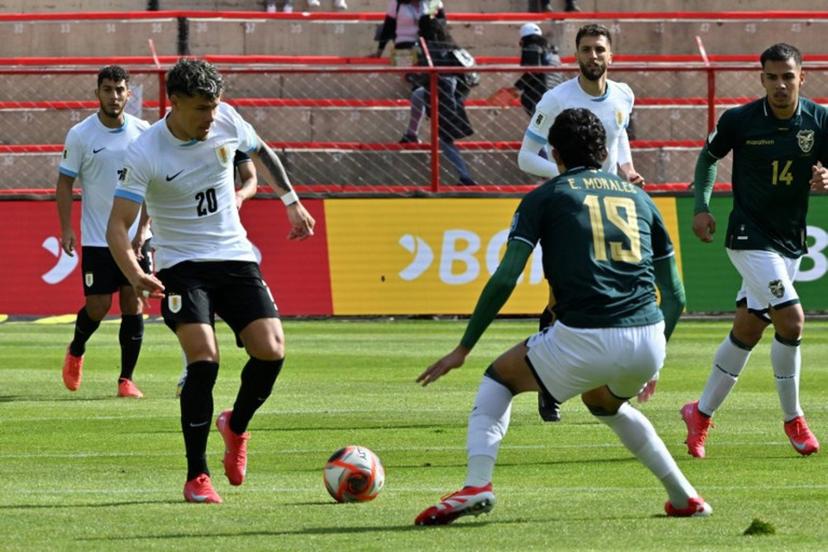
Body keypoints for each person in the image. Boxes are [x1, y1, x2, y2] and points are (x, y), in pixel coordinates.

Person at [413, 107, 711, 525]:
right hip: (648, 337)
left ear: (554, 154)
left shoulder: (547, 196)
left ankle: (477, 484)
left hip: (587, 335)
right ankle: (684, 497)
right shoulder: (641, 199)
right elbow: (676, 296)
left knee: (499, 380)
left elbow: (506, 277)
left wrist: (463, 347)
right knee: (604, 403)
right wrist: (656, 356)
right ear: (604, 152)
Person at [107, 59, 315, 504]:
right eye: (202, 108)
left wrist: (291, 201)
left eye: (215, 106)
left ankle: (235, 426)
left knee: (271, 350)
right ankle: (197, 475)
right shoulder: (145, 151)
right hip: (182, 265)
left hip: (234, 255)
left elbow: (263, 151)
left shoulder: (226, 120)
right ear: (175, 102)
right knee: (203, 360)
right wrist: (135, 274)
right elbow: (117, 226)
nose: (211, 117)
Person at [681, 43, 826, 459]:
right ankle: (793, 418)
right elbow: (708, 159)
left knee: (748, 328)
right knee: (792, 321)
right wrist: (701, 207)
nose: (780, 84)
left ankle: (699, 413)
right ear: (761, 79)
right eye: (772, 77)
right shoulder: (740, 120)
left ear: (802, 77)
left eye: (788, 76)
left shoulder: (819, 121)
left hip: (790, 241)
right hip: (748, 237)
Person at [57, 65, 151, 398]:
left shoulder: (143, 132)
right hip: (98, 237)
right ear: (97, 93)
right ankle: (77, 348)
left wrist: (144, 229)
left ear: (129, 93)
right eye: (108, 89)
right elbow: (65, 182)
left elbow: (152, 185)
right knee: (97, 307)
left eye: (120, 89)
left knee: (133, 303)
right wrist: (66, 228)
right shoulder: (81, 135)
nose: (114, 96)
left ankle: (126, 380)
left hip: (133, 237)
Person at [174, 149, 259, 398]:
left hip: (226, 241)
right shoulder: (170, 142)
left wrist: (240, 195)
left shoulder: (230, 136)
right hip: (187, 240)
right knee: (198, 317)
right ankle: (190, 371)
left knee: (261, 336)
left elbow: (251, 178)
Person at [518, 24, 644, 186]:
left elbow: (619, 133)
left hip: (608, 194)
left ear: (610, 56)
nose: (593, 56)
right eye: (586, 50)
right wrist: (569, 175)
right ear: (577, 56)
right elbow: (526, 158)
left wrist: (629, 170)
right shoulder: (555, 100)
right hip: (568, 195)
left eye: (599, 49)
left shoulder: (624, 94)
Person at [399, 18, 477, 185]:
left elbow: (421, 75)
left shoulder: (429, 51)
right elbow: (472, 78)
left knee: (445, 140)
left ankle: (465, 177)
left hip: (442, 99)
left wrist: (411, 76)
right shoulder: (454, 49)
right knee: (418, 95)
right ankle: (411, 134)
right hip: (450, 97)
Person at [514, 23, 564, 118]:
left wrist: (517, 87)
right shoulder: (552, 52)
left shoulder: (532, 46)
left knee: (540, 124)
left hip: (542, 98)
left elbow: (533, 71)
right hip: (558, 96)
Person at [373, 0, 446, 65]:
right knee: (407, 63)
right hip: (403, 47)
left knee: (433, 62)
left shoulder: (433, 2)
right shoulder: (397, 3)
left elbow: (441, 26)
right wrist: (379, 52)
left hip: (429, 48)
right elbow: (387, 29)